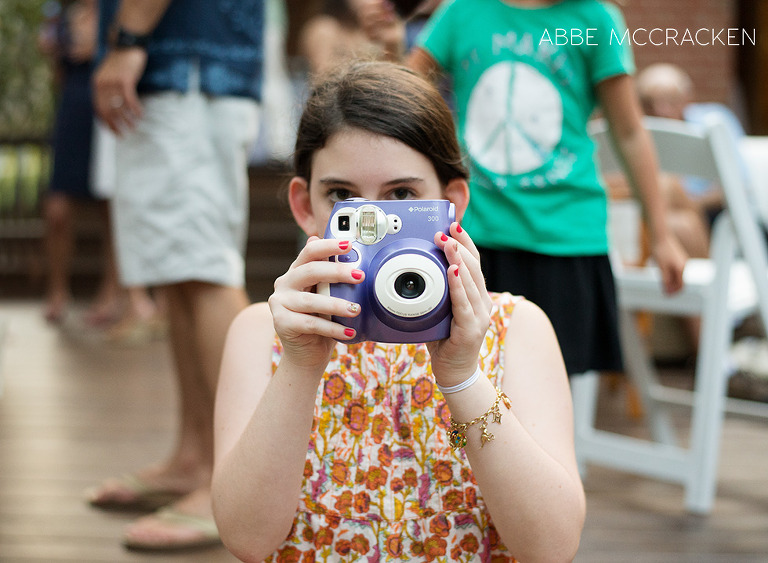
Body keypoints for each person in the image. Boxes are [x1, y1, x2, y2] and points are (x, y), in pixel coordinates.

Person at [212, 61, 586, 563]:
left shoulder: (514, 330)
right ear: (305, 206)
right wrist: (300, 367)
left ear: (451, 203)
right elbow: (247, 539)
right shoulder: (265, 334)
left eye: (403, 197)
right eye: (343, 197)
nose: (376, 227)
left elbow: (551, 547)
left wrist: (462, 378)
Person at [405, 0, 687, 378]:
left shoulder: (596, 19)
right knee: (463, 374)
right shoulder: (463, 11)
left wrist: (663, 233)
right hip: (473, 239)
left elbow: (630, 132)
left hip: (566, 238)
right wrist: (391, 37)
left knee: (547, 385)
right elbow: (402, 95)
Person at [85, 0, 265, 551]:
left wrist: (128, 40)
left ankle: (238, 482)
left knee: (204, 269)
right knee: (180, 271)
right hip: (183, 66)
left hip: (188, 65)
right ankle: (195, 458)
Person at [37, 0, 123, 326]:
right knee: (57, 208)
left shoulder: (115, 12)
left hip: (105, 117)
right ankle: (57, 291)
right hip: (72, 111)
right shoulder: (61, 14)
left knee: (109, 204)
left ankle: (111, 291)